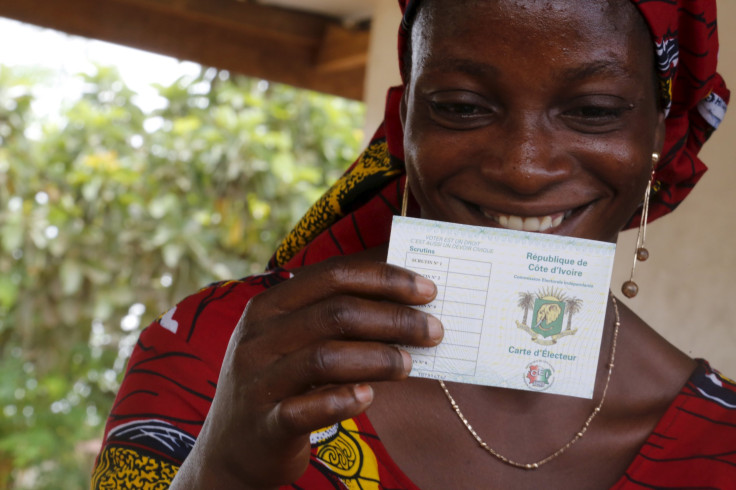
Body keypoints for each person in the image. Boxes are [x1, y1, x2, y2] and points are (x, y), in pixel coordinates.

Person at [92, 0, 734, 488]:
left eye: (593, 111)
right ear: (406, 117)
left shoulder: (720, 444)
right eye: (460, 106)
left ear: (661, 127)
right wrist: (224, 470)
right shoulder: (223, 355)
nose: (523, 166)